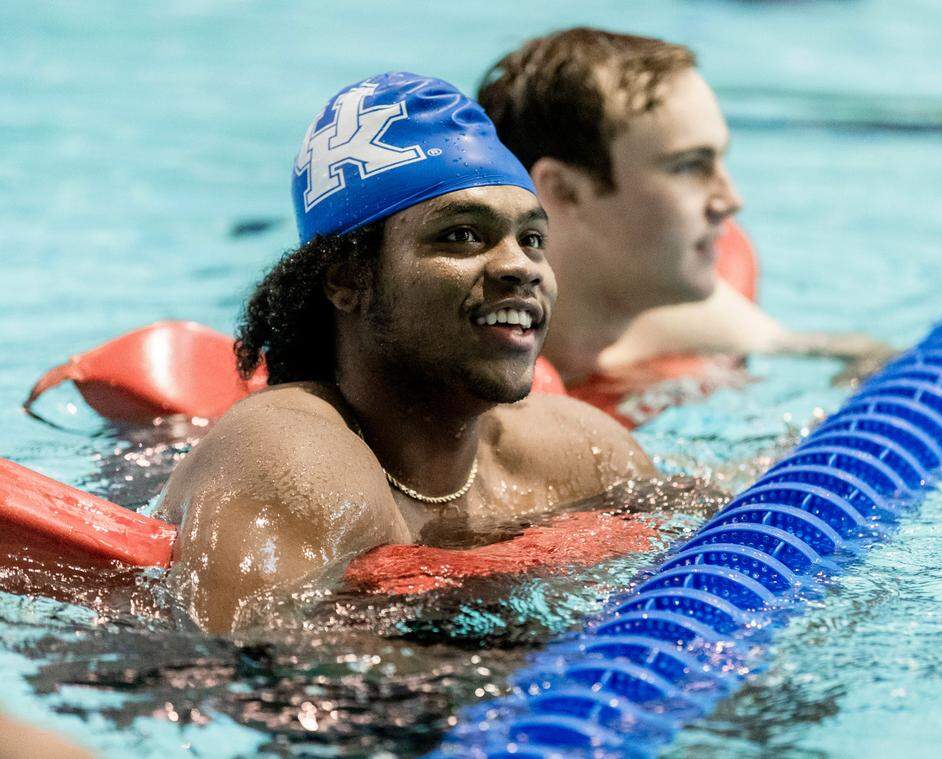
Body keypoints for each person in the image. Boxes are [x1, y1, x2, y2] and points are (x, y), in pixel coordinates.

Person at [157, 72, 654, 635]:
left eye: (532, 238)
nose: (520, 266)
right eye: (462, 235)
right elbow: (236, 664)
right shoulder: (286, 460)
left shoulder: (580, 452)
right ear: (346, 276)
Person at [477, 28, 895, 388]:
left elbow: (866, 354)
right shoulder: (473, 362)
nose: (731, 200)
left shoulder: (682, 318)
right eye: (690, 166)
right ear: (566, 191)